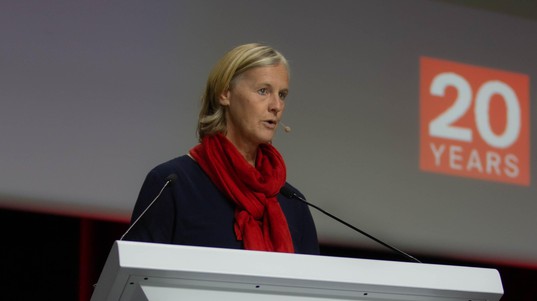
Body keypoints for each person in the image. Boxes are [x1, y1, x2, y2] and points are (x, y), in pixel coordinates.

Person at [123, 43, 319, 255]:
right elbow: (137, 281)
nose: (276, 106)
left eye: (282, 95)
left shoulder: (293, 203)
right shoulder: (172, 184)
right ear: (225, 93)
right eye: (263, 91)